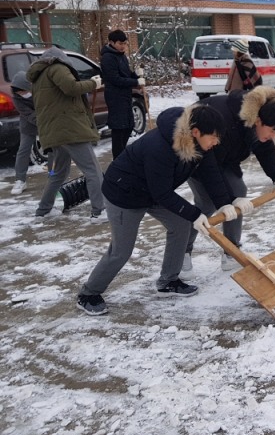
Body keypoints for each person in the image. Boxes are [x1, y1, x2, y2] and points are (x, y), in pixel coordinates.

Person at [76, 103, 234, 316]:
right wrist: (194, 213)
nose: (217, 142)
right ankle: (88, 293)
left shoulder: (199, 146)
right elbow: (162, 194)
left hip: (153, 190)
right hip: (124, 194)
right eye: (214, 137)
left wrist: (225, 202)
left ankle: (168, 281)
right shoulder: (160, 147)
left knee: (181, 224)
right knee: (122, 250)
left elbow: (211, 173)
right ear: (196, 132)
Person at [182, 86, 275, 275]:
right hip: (196, 155)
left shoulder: (255, 119)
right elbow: (209, 168)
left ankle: (230, 251)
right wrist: (225, 201)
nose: (273, 136)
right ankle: (182, 252)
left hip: (223, 157)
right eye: (272, 131)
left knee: (238, 192)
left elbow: (265, 150)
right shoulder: (225, 120)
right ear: (258, 121)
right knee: (206, 205)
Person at [27, 47, 105, 219]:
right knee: (92, 170)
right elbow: (71, 88)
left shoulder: (38, 77)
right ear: (62, 59)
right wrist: (94, 84)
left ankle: (43, 210)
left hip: (55, 132)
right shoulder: (57, 68)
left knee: (59, 173)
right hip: (69, 129)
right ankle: (100, 210)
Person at [100, 29, 144, 159]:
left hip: (125, 96)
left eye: (125, 43)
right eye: (120, 43)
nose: (123, 46)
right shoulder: (108, 58)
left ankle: (122, 156)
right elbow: (115, 79)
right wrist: (135, 81)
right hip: (115, 97)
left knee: (129, 126)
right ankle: (118, 159)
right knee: (119, 128)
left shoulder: (121, 56)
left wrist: (136, 74)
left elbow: (126, 75)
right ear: (111, 42)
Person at [9, 71, 39, 195]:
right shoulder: (16, 98)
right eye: (19, 93)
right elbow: (28, 114)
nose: (22, 95)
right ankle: (20, 179)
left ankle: (53, 175)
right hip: (29, 124)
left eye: (23, 91)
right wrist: (43, 121)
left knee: (52, 148)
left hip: (47, 121)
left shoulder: (40, 90)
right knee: (23, 150)